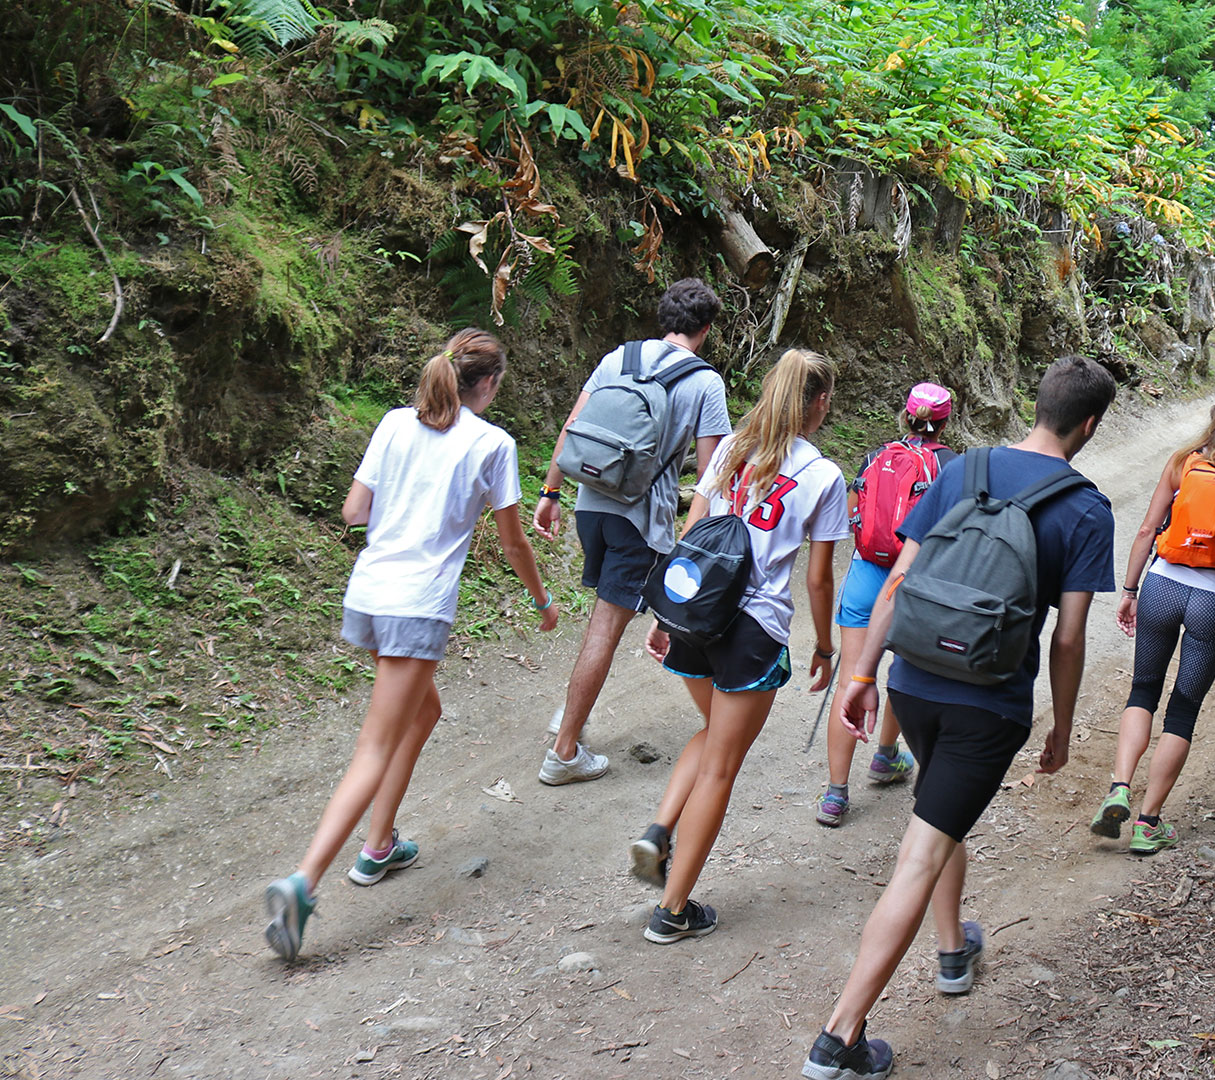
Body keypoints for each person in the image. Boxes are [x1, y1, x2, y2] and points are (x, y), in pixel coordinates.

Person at [803, 356, 1117, 1080]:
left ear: (1037, 405)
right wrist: (1062, 725)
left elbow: (899, 581)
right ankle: (838, 1039)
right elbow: (1068, 638)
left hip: (915, 681)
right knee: (920, 850)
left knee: (937, 811)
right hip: (989, 704)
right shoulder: (1086, 508)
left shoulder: (960, 469)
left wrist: (862, 676)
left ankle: (953, 951)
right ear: (1091, 425)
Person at [264, 330, 559, 961]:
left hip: (369, 594)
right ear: (491, 384)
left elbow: (353, 511)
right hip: (415, 606)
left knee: (424, 713)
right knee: (375, 745)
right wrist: (542, 600)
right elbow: (513, 543)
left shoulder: (396, 423)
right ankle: (302, 883)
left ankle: (379, 845)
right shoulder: (493, 444)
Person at [627, 348, 849, 944]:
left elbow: (692, 532)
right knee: (723, 765)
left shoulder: (729, 450)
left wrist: (664, 614)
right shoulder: (824, 477)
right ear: (819, 403)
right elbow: (819, 578)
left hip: (696, 613)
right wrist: (825, 647)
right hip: (754, 630)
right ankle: (672, 911)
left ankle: (659, 828)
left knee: (711, 734)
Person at [532, 278, 731, 785]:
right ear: (704, 329)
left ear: (664, 319)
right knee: (606, 626)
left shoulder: (619, 358)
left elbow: (573, 425)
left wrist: (550, 493)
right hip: (638, 520)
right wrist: (696, 553)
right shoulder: (706, 383)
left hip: (588, 505)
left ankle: (568, 714)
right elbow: (711, 478)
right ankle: (564, 750)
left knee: (601, 616)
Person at [1092, 380, 1215, 854]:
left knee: (1143, 689)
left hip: (1162, 586)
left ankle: (1120, 785)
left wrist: (1129, 589)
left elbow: (1146, 528)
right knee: (1183, 709)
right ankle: (1148, 823)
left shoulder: (1185, 461)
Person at [815, 381, 959, 827]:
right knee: (899, 671)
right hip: (911, 582)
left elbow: (855, 510)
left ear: (906, 414)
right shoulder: (950, 464)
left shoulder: (877, 454)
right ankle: (884, 755)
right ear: (946, 420)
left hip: (864, 573)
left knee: (851, 682)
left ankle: (835, 795)